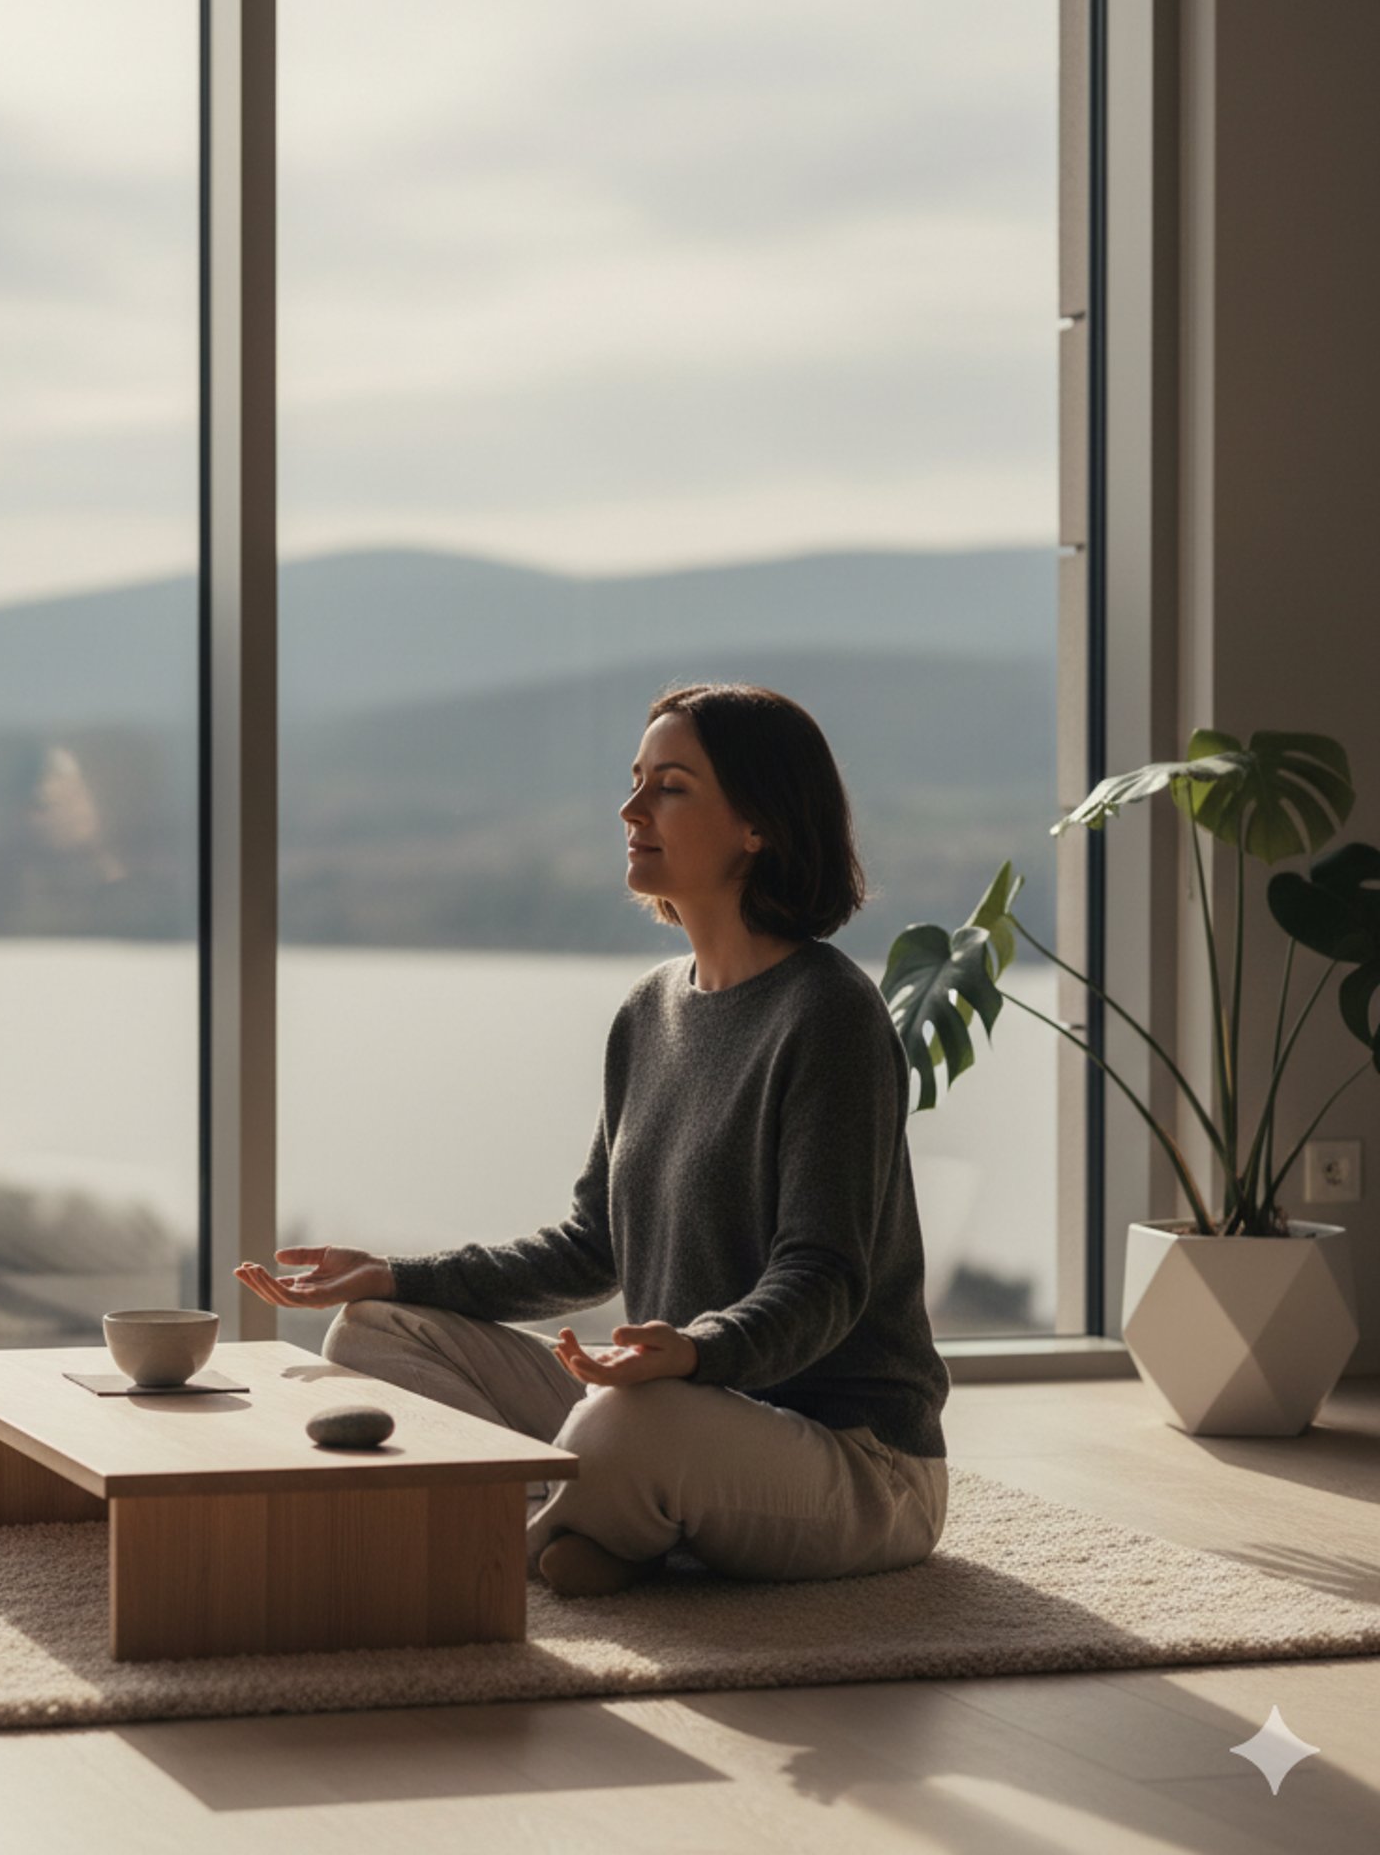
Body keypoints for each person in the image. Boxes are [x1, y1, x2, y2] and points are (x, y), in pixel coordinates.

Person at [236, 682, 951, 1599]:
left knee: (621, 1428)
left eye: (672, 787)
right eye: (636, 781)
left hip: (855, 1461)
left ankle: (562, 1523)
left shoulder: (831, 1017)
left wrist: (696, 1352)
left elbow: (825, 1279)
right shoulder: (650, 1011)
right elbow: (591, 1245)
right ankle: (606, 1525)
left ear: (757, 825)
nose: (631, 809)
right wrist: (396, 1276)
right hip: (682, 1406)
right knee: (375, 1335)